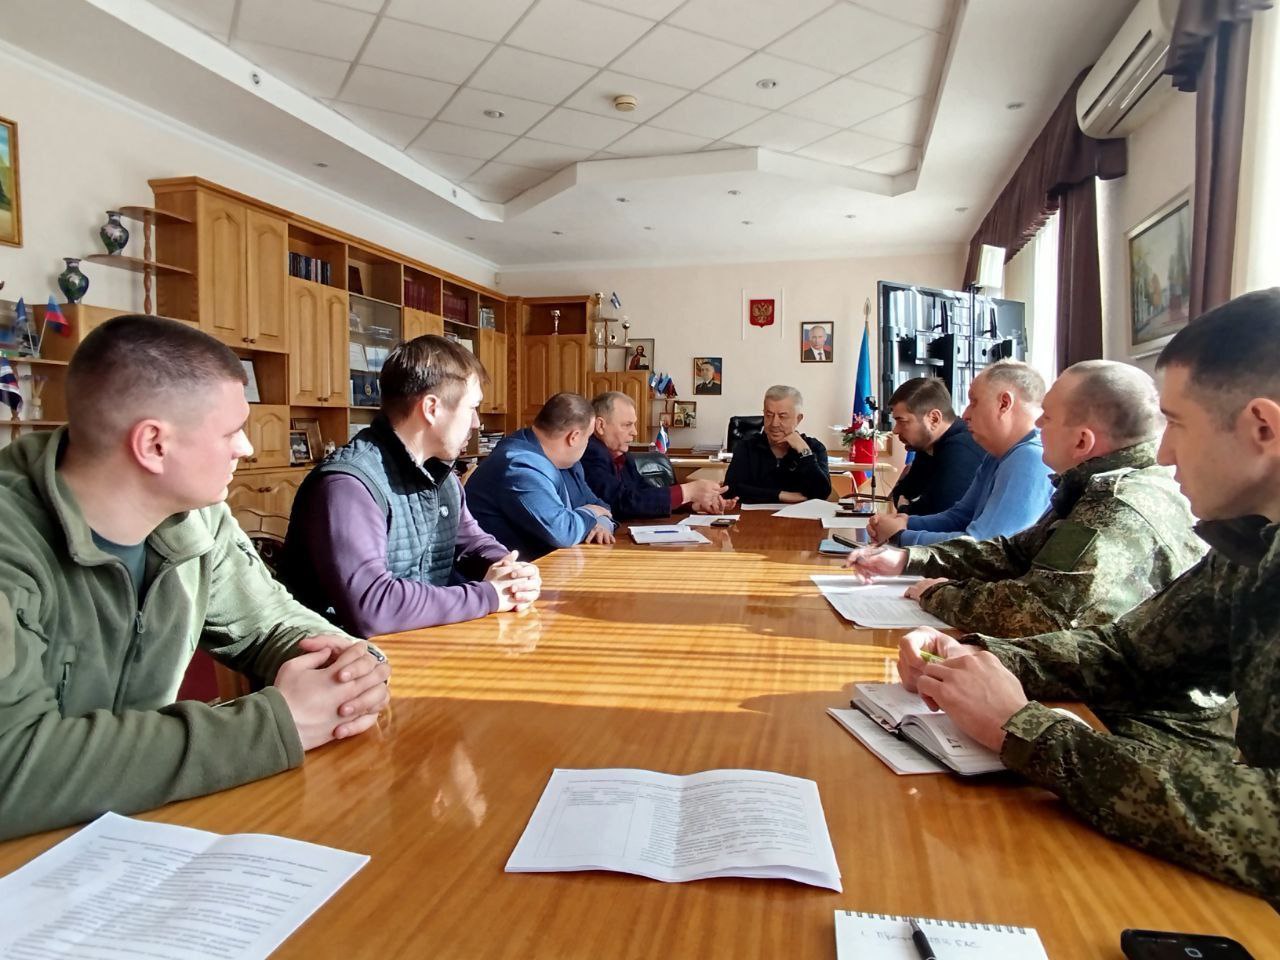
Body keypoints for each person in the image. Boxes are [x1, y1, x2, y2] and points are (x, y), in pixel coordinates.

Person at [895, 289, 1280, 902]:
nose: (1164, 452)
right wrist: (973, 658)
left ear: (1263, 427)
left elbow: (1270, 828)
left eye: (1177, 424)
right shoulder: (1252, 545)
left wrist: (1024, 728)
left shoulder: (1141, 505)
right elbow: (1126, 652)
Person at [0, 315, 390, 841]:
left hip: (137, 831)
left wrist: (351, 666)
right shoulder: (11, 539)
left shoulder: (196, 515)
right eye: (231, 433)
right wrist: (275, 726)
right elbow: (13, 769)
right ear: (154, 444)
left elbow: (268, 622)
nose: (246, 449)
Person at [847, 360, 1205, 637]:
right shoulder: (1090, 486)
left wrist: (936, 594)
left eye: (1047, 418)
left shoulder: (1117, 506)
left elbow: (1037, 614)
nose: (1038, 427)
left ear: (1082, 441)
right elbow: (1012, 551)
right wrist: (909, 558)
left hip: (1127, 716)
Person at [280, 335, 541, 638]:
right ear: (431, 408)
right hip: (339, 665)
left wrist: (511, 571)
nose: (476, 423)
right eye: (472, 408)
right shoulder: (347, 486)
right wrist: (489, 596)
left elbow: (472, 544)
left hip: (417, 646)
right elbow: (373, 606)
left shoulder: (440, 475)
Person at [869, 360, 1053, 546]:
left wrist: (901, 536)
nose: (965, 414)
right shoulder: (996, 455)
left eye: (974, 402)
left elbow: (986, 546)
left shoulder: (1029, 458)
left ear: (1004, 404)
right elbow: (960, 517)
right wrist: (906, 522)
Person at [467, 392, 616, 560]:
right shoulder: (520, 465)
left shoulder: (566, 464)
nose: (587, 444)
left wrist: (600, 523)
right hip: (499, 577)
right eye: (588, 437)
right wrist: (591, 513)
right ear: (574, 437)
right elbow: (563, 531)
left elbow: (601, 506)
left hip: (551, 568)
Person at [581, 391, 735, 520]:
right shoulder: (589, 452)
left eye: (634, 424)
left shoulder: (622, 456)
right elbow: (620, 502)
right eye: (627, 425)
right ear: (600, 426)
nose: (635, 432)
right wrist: (687, 491)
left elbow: (642, 494)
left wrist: (694, 503)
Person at [884, 377, 984, 515]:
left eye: (902, 421)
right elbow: (901, 493)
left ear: (934, 419)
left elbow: (938, 515)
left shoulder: (962, 450)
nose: (895, 430)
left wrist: (906, 508)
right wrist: (908, 506)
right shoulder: (928, 446)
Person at [725, 385, 832, 503]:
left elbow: (822, 492)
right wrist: (780, 495)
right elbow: (730, 489)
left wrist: (805, 452)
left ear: (798, 419)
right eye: (769, 415)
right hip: (754, 518)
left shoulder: (815, 447)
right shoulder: (746, 447)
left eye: (782, 416)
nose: (774, 423)